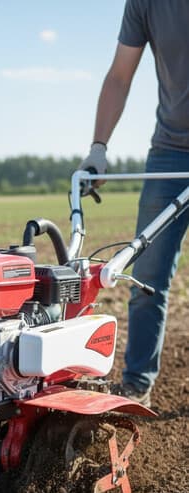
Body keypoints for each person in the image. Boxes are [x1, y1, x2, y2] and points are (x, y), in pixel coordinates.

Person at [80, 0, 189, 408]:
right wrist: (98, 147)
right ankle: (137, 384)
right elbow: (119, 76)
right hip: (171, 153)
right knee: (146, 277)